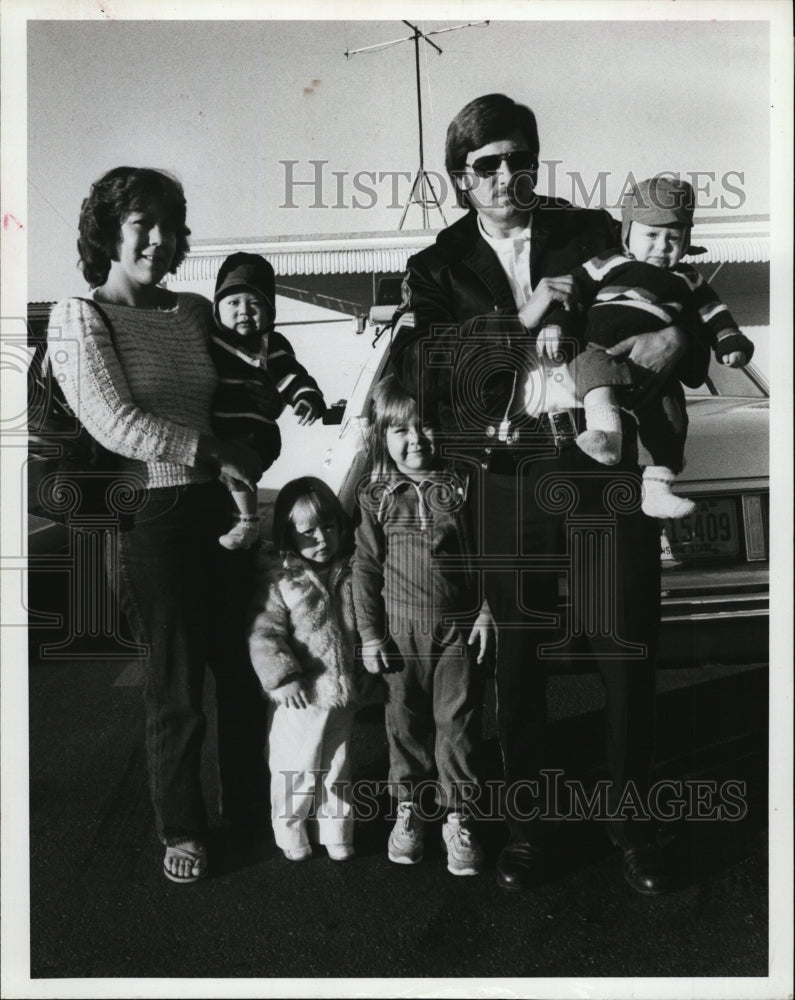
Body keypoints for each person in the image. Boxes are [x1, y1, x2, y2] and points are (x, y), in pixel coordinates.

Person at [389, 94, 710, 895]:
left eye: (518, 161)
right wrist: (520, 314)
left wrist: (685, 338)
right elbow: (434, 374)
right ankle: (532, 826)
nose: (505, 178)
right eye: (485, 166)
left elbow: (668, 287)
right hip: (507, 475)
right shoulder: (434, 268)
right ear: (460, 179)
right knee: (522, 662)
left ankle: (631, 820)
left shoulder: (590, 231)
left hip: (600, 461)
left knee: (622, 647)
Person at [47, 166, 268, 883]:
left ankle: (250, 807)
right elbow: (112, 422)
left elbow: (242, 389)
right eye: (144, 223)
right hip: (153, 520)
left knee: (241, 674)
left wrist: (251, 448)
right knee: (176, 688)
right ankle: (183, 826)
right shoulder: (79, 317)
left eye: (171, 224)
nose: (160, 238)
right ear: (109, 230)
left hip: (223, 509)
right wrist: (209, 450)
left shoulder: (194, 312)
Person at [536, 175, 754, 518]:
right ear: (627, 235)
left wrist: (730, 341)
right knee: (591, 370)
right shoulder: (608, 263)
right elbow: (572, 294)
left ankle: (657, 489)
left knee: (671, 419)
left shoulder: (689, 278)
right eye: (650, 235)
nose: (661, 246)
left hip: (658, 373)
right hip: (602, 350)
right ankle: (605, 435)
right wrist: (554, 325)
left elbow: (715, 314)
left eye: (673, 238)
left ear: (686, 242)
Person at [351, 374, 494, 877]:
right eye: (401, 430)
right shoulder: (375, 495)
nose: (416, 439)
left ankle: (459, 815)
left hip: (457, 630)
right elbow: (365, 567)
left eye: (427, 425)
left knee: (456, 725)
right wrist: (369, 635)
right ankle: (408, 808)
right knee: (405, 724)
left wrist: (486, 610)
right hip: (398, 634)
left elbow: (485, 554)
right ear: (382, 437)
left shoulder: (463, 483)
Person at [247, 477, 359, 862]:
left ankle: (336, 830)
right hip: (299, 695)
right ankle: (290, 830)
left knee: (336, 767)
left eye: (329, 526)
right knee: (294, 766)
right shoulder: (281, 578)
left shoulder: (350, 570)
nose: (322, 538)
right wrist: (283, 676)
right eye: (308, 531)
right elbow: (264, 631)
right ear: (288, 535)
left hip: (341, 691)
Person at [211, 252, 326, 549]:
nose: (244, 312)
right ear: (216, 308)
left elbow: (292, 376)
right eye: (233, 303)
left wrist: (304, 398)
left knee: (237, 461)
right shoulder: (210, 342)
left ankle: (248, 522)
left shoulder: (271, 346)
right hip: (218, 432)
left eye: (256, 304)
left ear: (270, 311)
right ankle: (237, 523)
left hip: (255, 433)